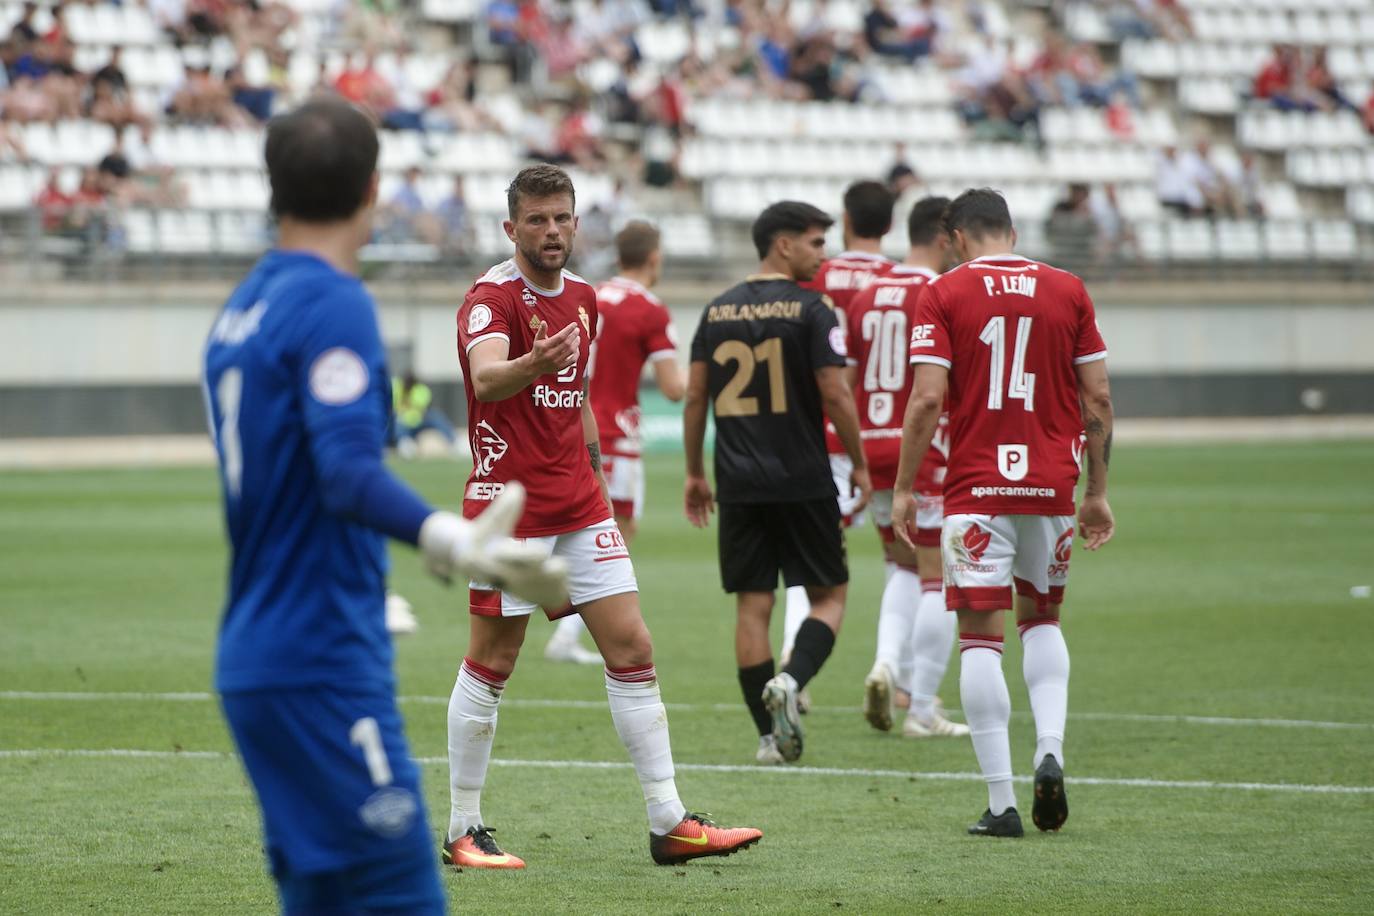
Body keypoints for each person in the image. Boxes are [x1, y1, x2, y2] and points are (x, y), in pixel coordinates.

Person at [202, 99, 567, 915]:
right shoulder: (332, 302)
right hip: (320, 655)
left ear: (271, 188)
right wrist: (450, 537)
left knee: (324, 901)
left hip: (258, 649)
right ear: (373, 190)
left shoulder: (239, 309)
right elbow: (344, 471)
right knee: (399, 896)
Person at [448, 164, 762, 869]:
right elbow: (489, 377)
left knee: (633, 648)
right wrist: (536, 360)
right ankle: (462, 828)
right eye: (537, 220)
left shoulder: (586, 298)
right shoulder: (490, 299)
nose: (552, 230)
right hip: (511, 508)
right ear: (512, 228)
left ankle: (669, 821)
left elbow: (580, 397)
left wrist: (595, 480)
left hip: (581, 504)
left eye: (562, 217)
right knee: (494, 660)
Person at [890, 188, 1115, 838]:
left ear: (954, 238)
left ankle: (1002, 803)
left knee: (981, 637)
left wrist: (906, 487)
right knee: (1041, 619)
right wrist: (1096, 491)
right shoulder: (1069, 288)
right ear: (1012, 232)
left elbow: (928, 399)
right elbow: (1096, 395)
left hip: (976, 490)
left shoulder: (944, 292)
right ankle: (1050, 748)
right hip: (1050, 487)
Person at [684, 200, 872, 766]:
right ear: (783, 244)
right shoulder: (814, 310)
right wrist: (860, 463)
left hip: (738, 483)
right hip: (803, 478)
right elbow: (836, 392)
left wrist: (695, 471)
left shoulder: (715, 312)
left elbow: (696, 397)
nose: (824, 252)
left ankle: (768, 739)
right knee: (831, 595)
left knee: (753, 607)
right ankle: (791, 680)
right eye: (817, 242)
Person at [847, 196, 969, 740]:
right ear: (945, 239)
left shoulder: (868, 293)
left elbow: (846, 375)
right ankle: (921, 706)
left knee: (898, 565)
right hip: (918, 450)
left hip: (868, 445)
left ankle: (885, 664)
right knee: (937, 577)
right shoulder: (939, 292)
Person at [544, 219, 684, 665]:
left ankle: (564, 627)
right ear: (655, 257)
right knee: (614, 533)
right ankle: (566, 632)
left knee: (586, 529)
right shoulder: (650, 309)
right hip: (615, 433)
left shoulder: (588, 293)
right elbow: (674, 389)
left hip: (569, 425)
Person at [780, 180, 896, 710]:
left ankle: (791, 661)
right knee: (907, 561)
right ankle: (899, 674)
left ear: (846, 221)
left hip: (815, 431)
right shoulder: (898, 281)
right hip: (885, 432)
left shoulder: (818, 273)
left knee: (810, 558)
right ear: (889, 224)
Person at [390, 371, 460, 458]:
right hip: (402, 422)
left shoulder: (421, 390)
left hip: (419, 421)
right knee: (397, 423)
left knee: (436, 417)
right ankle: (404, 444)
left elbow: (422, 409)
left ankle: (454, 442)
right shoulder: (397, 387)